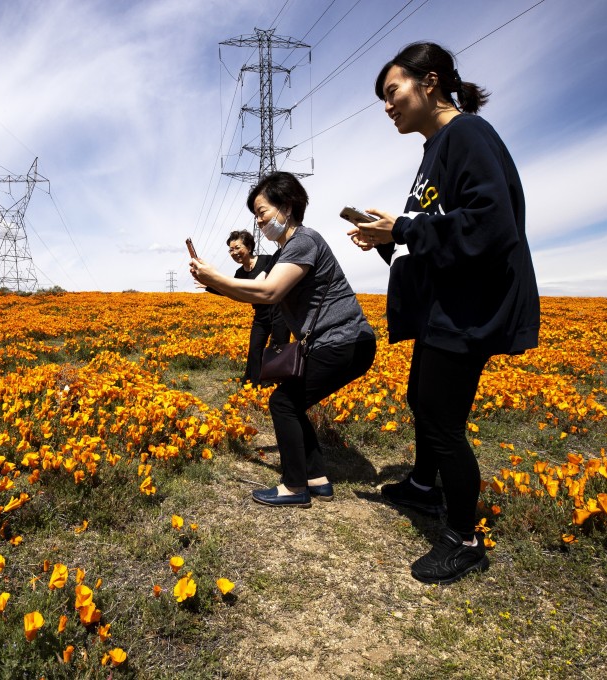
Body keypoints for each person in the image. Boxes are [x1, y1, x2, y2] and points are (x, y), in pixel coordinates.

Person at [345, 42, 540, 584]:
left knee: (441, 417)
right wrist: (388, 237)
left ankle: (465, 538)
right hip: (445, 301)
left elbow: (490, 222)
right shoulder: (434, 148)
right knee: (420, 398)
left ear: (430, 83)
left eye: (392, 92)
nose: (387, 106)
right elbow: (436, 234)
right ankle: (424, 486)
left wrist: (404, 228)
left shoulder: (467, 134)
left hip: (471, 304)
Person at [192, 172, 376, 508]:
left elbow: (270, 289)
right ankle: (317, 479)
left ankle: (294, 486)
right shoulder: (283, 254)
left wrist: (215, 277)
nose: (259, 221)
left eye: (262, 212)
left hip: (344, 340)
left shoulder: (303, 241)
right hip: (340, 342)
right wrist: (214, 280)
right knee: (292, 402)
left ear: (287, 206)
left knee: (283, 403)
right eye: (256, 215)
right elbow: (260, 295)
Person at [206, 229, 290, 385]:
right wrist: (209, 284)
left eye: (237, 247)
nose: (234, 252)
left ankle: (275, 382)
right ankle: (255, 383)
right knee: (255, 349)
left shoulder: (266, 260)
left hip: (279, 310)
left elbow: (281, 254)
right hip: (260, 314)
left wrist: (264, 272)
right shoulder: (239, 273)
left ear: (249, 247)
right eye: (231, 249)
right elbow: (231, 290)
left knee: (278, 346)